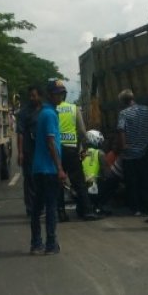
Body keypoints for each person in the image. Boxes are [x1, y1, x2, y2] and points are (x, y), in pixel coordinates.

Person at [29, 79, 67, 255]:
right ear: (50, 95)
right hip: (49, 169)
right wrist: (59, 168)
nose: (61, 96)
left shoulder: (44, 113)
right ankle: (51, 244)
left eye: (62, 93)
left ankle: (36, 243)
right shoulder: (50, 114)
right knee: (51, 207)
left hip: (39, 168)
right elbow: (51, 142)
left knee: (37, 208)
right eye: (58, 93)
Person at [57, 88, 99, 221]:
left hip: (57, 149)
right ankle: (87, 211)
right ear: (65, 95)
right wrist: (83, 146)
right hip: (71, 149)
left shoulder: (52, 109)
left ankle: (61, 213)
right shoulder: (73, 108)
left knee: (58, 182)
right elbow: (81, 130)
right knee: (78, 181)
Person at [117, 89, 148, 216]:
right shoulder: (147, 110)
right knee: (147, 180)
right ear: (133, 98)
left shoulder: (123, 114)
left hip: (130, 154)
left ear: (123, 102)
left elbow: (121, 130)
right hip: (145, 151)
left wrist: (124, 146)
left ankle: (136, 208)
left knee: (133, 182)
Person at [16, 85, 42, 216]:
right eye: (30, 95)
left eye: (34, 95)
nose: (32, 98)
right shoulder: (24, 112)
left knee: (42, 179)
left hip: (43, 150)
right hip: (29, 151)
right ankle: (31, 208)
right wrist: (20, 152)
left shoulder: (45, 110)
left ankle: (42, 206)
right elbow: (20, 133)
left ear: (40, 96)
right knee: (30, 179)